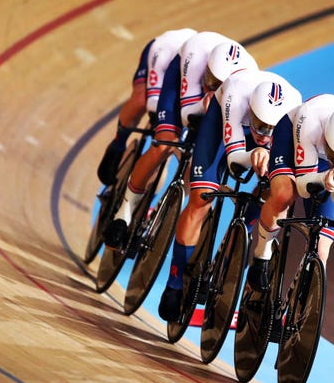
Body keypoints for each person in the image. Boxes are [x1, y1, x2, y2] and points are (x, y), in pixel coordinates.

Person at [158, 68, 303, 321]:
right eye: (260, 126)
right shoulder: (236, 95)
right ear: (252, 109)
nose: (264, 134)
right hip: (223, 124)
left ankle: (239, 241)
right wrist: (253, 153)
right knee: (200, 198)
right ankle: (174, 282)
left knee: (275, 190)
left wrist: (269, 164)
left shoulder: (293, 114)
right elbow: (235, 159)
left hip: (274, 136)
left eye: (271, 128)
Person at [104, 32, 258, 247]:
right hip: (182, 83)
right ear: (206, 69)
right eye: (211, 81)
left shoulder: (246, 83)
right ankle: (123, 214)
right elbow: (188, 115)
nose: (211, 87)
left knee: (202, 160)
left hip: (225, 105)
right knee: (165, 143)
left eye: (217, 85)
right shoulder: (196, 56)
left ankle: (171, 204)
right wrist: (205, 104)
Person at [246, 93, 334, 291]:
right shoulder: (310, 118)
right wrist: (323, 177)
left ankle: (300, 306)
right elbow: (303, 188)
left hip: (323, 158)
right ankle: (261, 255)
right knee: (283, 194)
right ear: (326, 137)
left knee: (321, 249)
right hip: (294, 137)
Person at [96, 28, 197, 186]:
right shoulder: (167, 48)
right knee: (141, 101)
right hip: (163, 55)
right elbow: (153, 105)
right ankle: (118, 142)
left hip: (186, 82)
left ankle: (144, 197)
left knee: (170, 142)